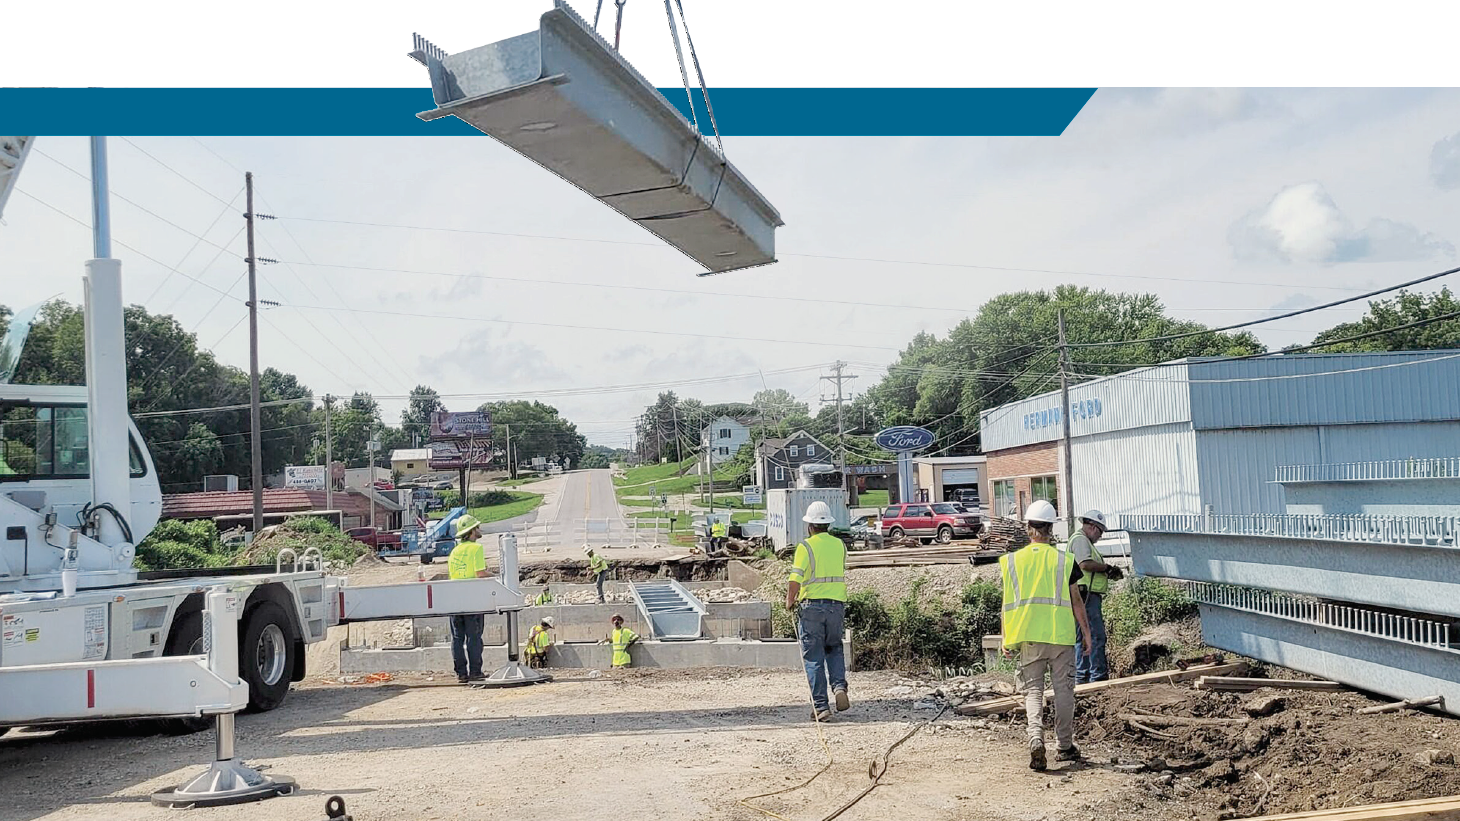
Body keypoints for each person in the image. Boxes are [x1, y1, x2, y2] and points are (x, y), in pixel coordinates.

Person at [1000, 500, 1094, 771]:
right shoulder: (1065, 561)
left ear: (1028, 527)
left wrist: (1005, 636)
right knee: (1064, 691)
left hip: (1028, 636)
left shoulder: (1012, 561)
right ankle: (1064, 746)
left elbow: (1006, 603)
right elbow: (1077, 601)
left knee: (1033, 691)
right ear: (1051, 528)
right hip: (1061, 636)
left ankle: (1035, 738)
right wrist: (1086, 633)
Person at [785, 500, 849, 722]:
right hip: (836, 606)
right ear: (828, 525)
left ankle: (822, 707)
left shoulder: (806, 547)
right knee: (834, 648)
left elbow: (795, 579)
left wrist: (789, 601)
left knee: (813, 657)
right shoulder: (840, 545)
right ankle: (839, 687)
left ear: (810, 526)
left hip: (812, 607)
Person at [1070, 509, 1119, 685]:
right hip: (1086, 596)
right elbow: (1085, 563)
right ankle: (1096, 677)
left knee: (1084, 637)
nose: (1099, 537)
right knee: (1094, 636)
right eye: (1100, 532)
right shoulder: (1081, 540)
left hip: (1085, 595)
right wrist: (1106, 568)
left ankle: (1083, 678)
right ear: (1092, 527)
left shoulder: (1081, 540)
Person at [446, 514, 488, 684]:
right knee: (474, 636)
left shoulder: (454, 551)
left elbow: (453, 575)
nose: (479, 530)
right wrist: (496, 576)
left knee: (457, 637)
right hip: (472, 599)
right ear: (471, 532)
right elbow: (480, 574)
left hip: (454, 599)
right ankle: (475, 672)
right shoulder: (476, 549)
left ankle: (461, 674)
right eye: (477, 527)